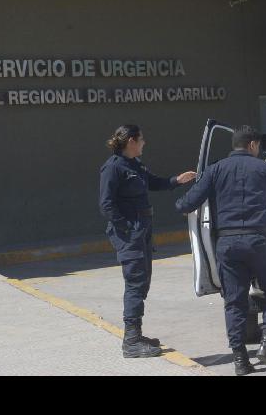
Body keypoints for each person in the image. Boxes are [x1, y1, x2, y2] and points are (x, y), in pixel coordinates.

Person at [175, 125, 266, 376]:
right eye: (258, 147)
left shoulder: (214, 170)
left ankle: (240, 360)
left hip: (227, 244)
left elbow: (188, 202)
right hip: (260, 240)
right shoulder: (265, 169)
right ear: (252, 145)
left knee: (234, 303)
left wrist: (180, 202)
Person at [99, 124, 196, 358]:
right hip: (130, 235)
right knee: (135, 283)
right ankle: (131, 342)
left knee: (142, 283)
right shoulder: (113, 168)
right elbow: (106, 204)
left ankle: (136, 333)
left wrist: (177, 180)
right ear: (131, 141)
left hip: (142, 232)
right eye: (141, 139)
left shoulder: (135, 165)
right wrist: (128, 228)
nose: (144, 143)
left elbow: (153, 182)